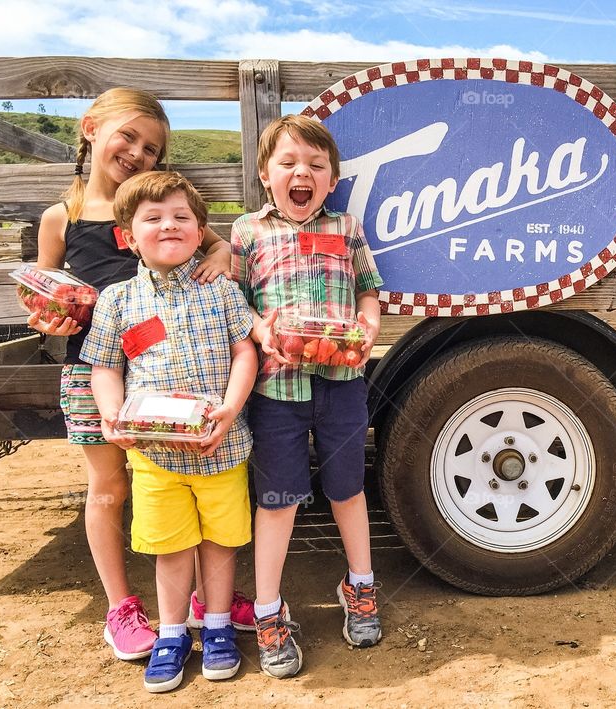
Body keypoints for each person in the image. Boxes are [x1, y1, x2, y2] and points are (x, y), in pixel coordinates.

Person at [28, 88, 254, 661]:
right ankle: (121, 606)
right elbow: (44, 290)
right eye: (127, 136)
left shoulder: (162, 210)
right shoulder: (63, 217)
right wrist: (49, 316)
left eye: (151, 148)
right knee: (113, 487)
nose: (136, 152)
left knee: (190, 478)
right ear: (90, 129)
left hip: (176, 370)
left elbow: (215, 242)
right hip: (94, 366)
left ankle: (209, 600)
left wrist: (222, 254)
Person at [84, 171, 257, 692]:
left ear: (200, 229)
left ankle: (219, 626)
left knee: (221, 542)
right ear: (129, 236)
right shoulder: (117, 300)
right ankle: (173, 632)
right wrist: (111, 414)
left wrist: (229, 409)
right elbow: (104, 366)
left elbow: (244, 351)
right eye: (153, 218)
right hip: (156, 456)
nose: (169, 226)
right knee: (172, 545)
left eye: (182, 217)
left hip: (220, 448)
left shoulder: (223, 291)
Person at [231, 115, 384, 678]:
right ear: (266, 176)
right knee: (278, 499)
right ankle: (269, 609)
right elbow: (238, 300)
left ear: (333, 178)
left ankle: (361, 584)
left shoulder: (347, 227)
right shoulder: (248, 232)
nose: (303, 173)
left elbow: (369, 291)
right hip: (277, 389)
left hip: (341, 383)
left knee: (348, 489)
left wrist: (367, 330)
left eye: (316, 166)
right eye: (289, 164)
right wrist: (260, 329)